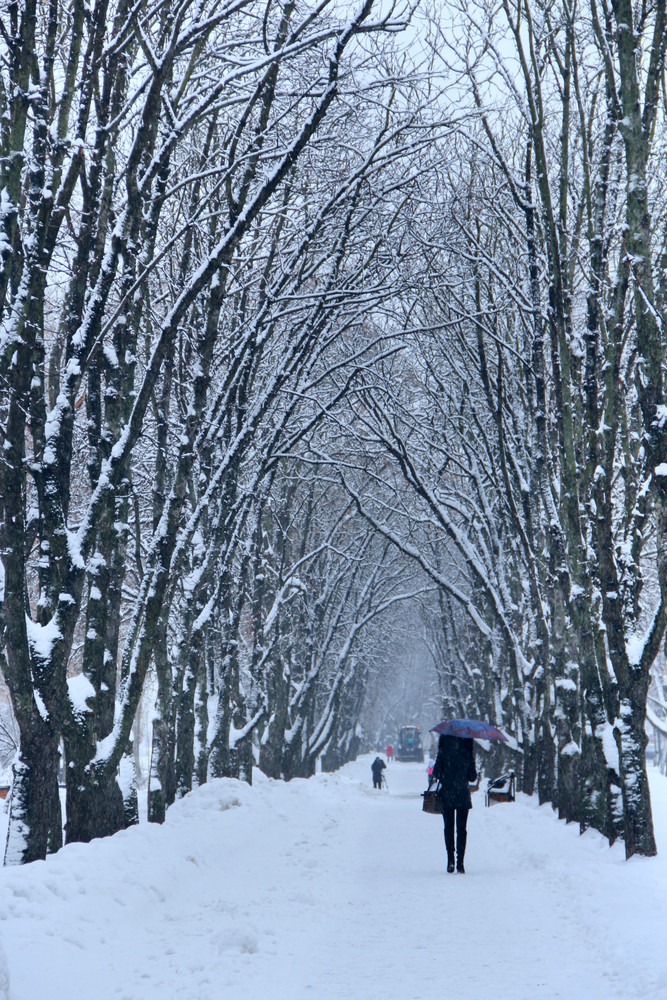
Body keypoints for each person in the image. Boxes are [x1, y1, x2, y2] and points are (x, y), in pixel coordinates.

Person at [432, 734, 477, 873]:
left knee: (448, 829)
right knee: (462, 830)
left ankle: (450, 861)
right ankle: (460, 863)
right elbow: (472, 777)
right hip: (463, 795)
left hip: (447, 795)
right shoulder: (467, 753)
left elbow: (436, 773)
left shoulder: (443, 751)